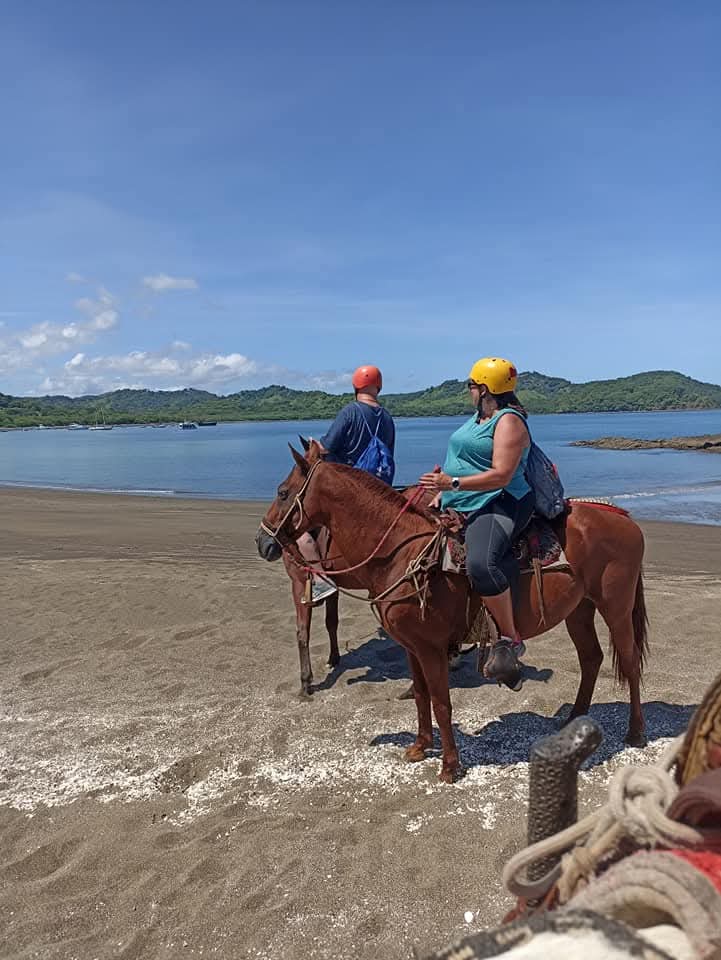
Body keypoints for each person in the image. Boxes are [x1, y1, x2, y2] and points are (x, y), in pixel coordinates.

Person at [419, 357, 534, 690]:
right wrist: (442, 494)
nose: (468, 390)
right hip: (463, 498)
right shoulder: (478, 418)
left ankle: (511, 640)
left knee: (481, 564)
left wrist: (451, 484)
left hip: (503, 501)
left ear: (485, 389)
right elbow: (464, 460)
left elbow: (501, 475)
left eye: (471, 385)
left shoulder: (509, 422)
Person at [298, 364, 396, 604]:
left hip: (349, 490)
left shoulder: (350, 411)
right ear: (378, 387)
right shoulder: (387, 418)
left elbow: (326, 447)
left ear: (355, 386)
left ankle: (321, 580)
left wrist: (313, 445)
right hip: (380, 489)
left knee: (298, 529)